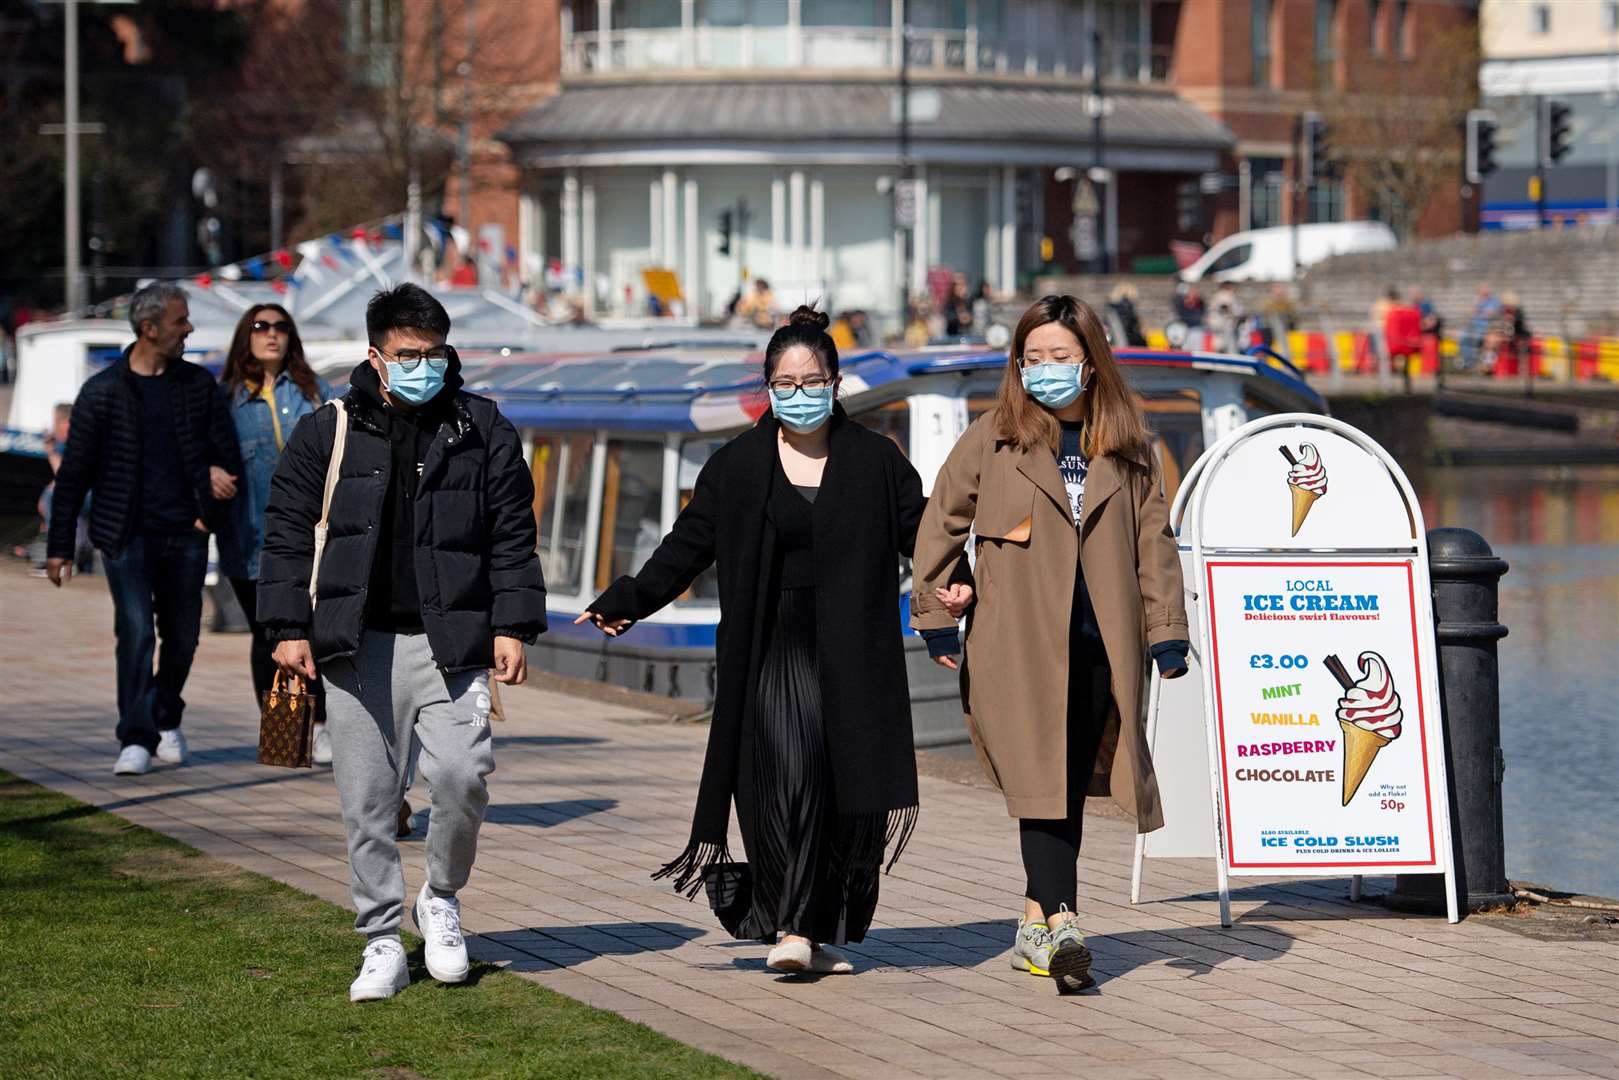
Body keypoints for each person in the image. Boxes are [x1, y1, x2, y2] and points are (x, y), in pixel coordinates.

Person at [577, 307, 925, 976]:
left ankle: (814, 926)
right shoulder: (738, 465)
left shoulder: (876, 461)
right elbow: (687, 544)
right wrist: (629, 600)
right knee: (785, 777)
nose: (799, 393)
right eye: (785, 382)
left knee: (837, 786)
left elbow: (925, 537)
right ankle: (790, 927)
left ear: (836, 381)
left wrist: (963, 581)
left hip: (852, 647)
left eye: (812, 379)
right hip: (769, 643)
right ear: (768, 387)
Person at [258, 283, 547, 1002]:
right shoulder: (329, 427)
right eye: (407, 355)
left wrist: (513, 624)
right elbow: (287, 529)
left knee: (461, 776)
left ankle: (440, 899)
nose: (423, 366)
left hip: (451, 641)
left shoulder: (483, 427)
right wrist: (287, 627)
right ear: (375, 357)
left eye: (434, 354)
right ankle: (381, 937)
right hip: (356, 644)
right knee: (369, 799)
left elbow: (512, 532)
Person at [910, 295, 1189, 994]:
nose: (1043, 371)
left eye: (1058, 358)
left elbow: (1153, 546)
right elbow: (939, 525)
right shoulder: (992, 439)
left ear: (1090, 364)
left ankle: (1035, 926)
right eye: (1030, 359)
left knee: (1064, 789)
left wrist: (1166, 634)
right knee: (1040, 786)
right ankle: (1065, 922)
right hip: (1017, 647)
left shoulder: (1129, 448)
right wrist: (936, 610)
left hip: (1101, 645)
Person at [45, 282, 242, 776]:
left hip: (187, 533)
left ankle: (163, 714)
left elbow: (227, 456)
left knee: (184, 637)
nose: (189, 328)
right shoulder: (103, 392)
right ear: (150, 328)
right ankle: (135, 737)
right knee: (134, 633)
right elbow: (74, 475)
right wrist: (59, 545)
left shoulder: (198, 386)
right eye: (181, 321)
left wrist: (207, 505)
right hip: (125, 536)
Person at [217, 305, 333, 758]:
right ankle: (285, 729)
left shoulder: (313, 390)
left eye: (281, 327)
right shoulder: (226, 398)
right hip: (249, 536)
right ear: (246, 336)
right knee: (269, 634)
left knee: (314, 630)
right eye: (261, 327)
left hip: (312, 535)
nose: (271, 335)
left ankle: (318, 724)